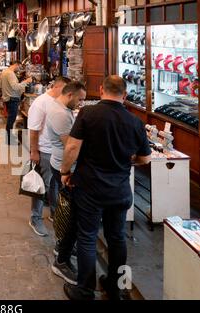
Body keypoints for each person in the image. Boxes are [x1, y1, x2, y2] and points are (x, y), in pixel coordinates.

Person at [59, 76, 151, 300]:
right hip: (119, 191)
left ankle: (85, 289)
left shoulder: (88, 114)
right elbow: (145, 159)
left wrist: (65, 172)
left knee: (88, 237)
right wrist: (125, 162)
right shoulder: (135, 122)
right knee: (117, 238)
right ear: (125, 95)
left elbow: (72, 147)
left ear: (101, 90)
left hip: (90, 188)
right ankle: (114, 288)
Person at [44, 82, 86, 286]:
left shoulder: (60, 108)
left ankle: (64, 246)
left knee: (67, 209)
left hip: (61, 163)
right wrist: (66, 171)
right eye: (79, 99)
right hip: (63, 166)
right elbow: (69, 145)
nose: (80, 103)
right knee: (69, 211)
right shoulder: (60, 114)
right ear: (69, 95)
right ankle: (62, 252)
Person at [27, 77, 71, 237]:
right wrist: (34, 151)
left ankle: (54, 213)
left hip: (56, 152)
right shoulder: (41, 103)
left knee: (54, 184)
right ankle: (35, 218)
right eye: (66, 90)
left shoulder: (59, 102)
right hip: (44, 150)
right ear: (58, 87)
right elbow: (33, 129)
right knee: (40, 186)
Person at [0, 60, 32, 144]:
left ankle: (9, 138)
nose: (19, 69)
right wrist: (26, 82)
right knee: (11, 119)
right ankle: (10, 140)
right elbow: (15, 87)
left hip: (8, 98)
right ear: (16, 65)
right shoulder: (10, 73)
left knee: (11, 119)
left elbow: (0, 85)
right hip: (12, 98)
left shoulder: (4, 72)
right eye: (19, 67)